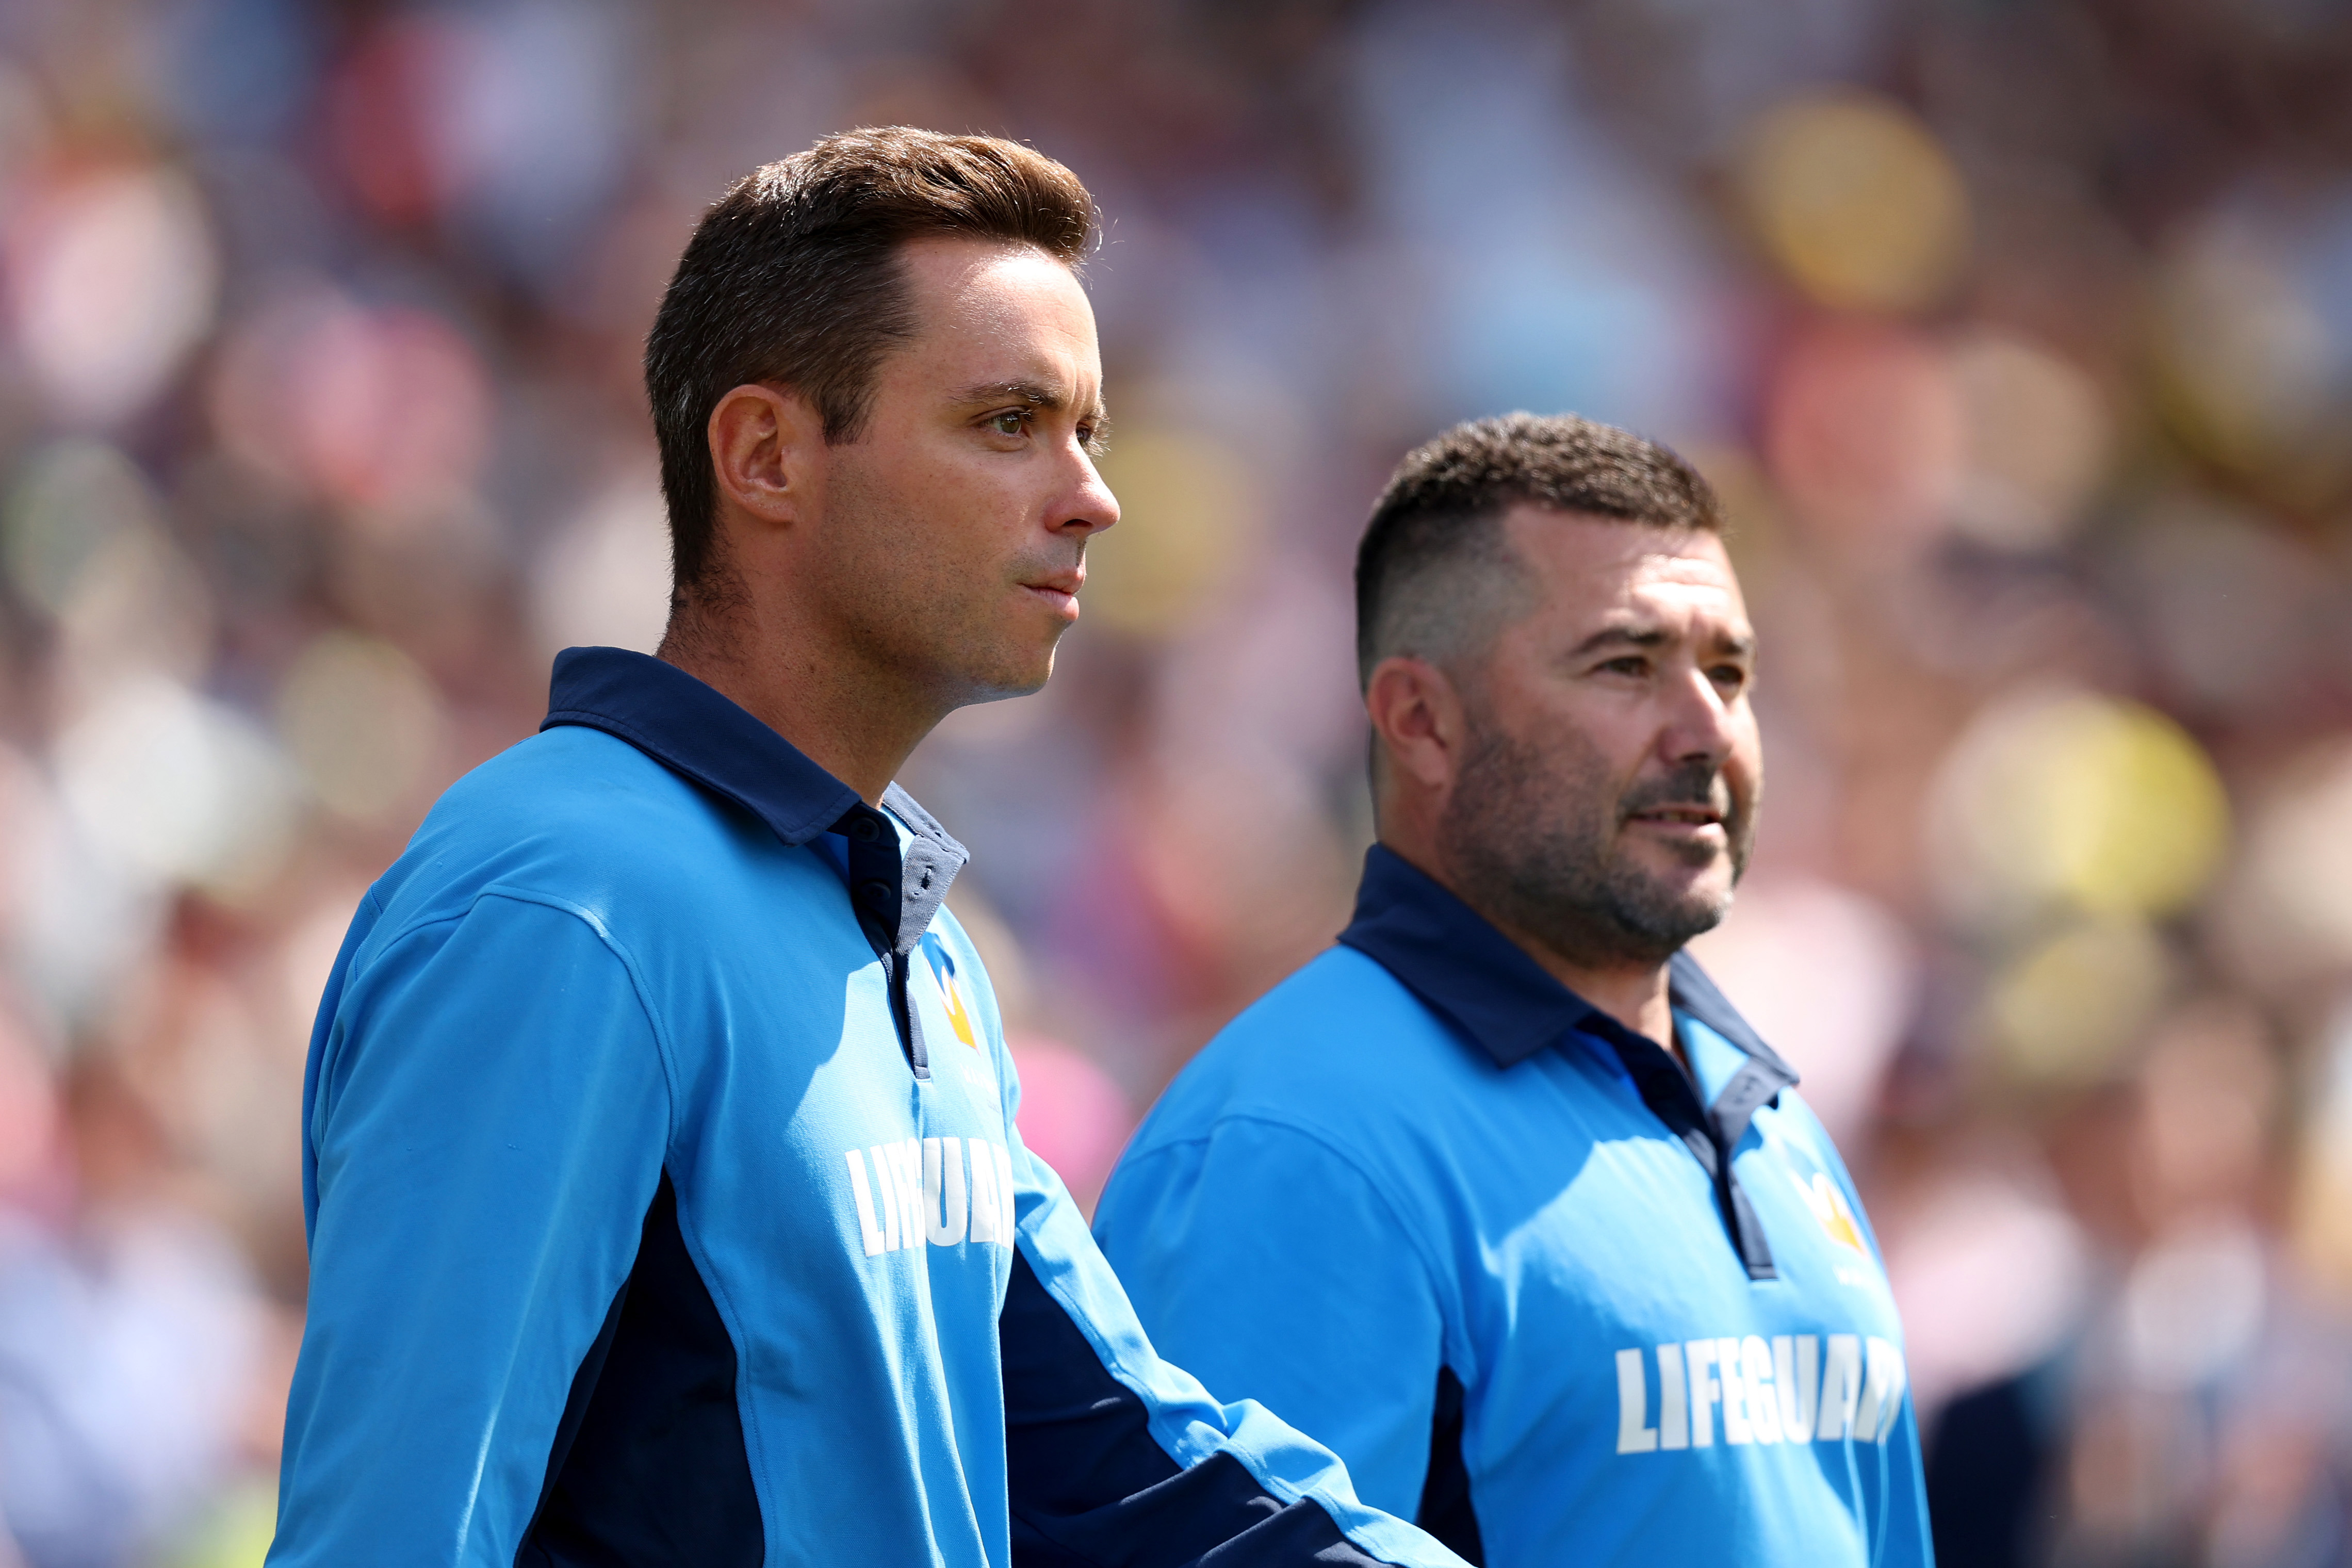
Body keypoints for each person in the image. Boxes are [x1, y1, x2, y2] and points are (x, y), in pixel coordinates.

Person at [265, 129, 1465, 1568]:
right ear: (766, 456)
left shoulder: (906, 923)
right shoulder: (559, 904)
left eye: (1091, 430)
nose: (1093, 495)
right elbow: (393, 1539)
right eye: (1010, 424)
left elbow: (1115, 1456)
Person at [1093, 414, 1932, 1567]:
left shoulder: (1769, 1112)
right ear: (1423, 721)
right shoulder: (1293, 1141)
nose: (1707, 729)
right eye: (1626, 664)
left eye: (1729, 669)